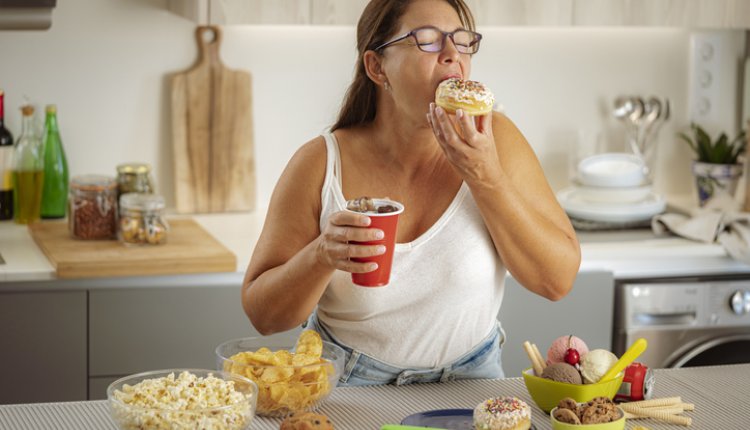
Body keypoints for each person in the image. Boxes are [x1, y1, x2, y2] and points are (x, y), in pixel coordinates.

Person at [241, 0, 581, 386]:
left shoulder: (495, 140)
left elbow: (557, 281)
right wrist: (321, 254)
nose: (453, 55)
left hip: (475, 381)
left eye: (462, 41)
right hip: (350, 384)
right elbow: (263, 316)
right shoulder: (320, 163)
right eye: (428, 41)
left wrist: (486, 177)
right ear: (376, 66)